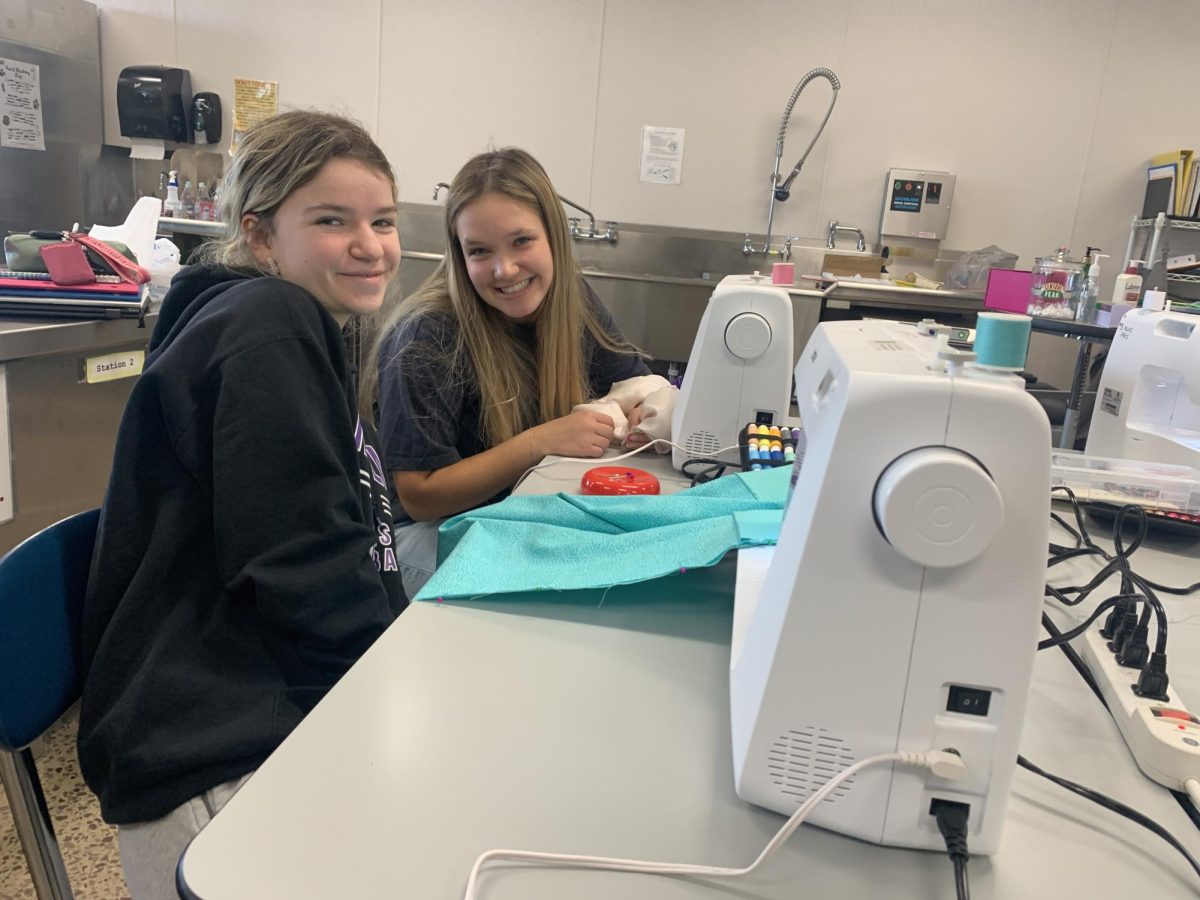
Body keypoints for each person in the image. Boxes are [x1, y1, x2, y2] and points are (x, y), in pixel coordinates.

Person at [77, 110, 407, 899]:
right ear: (261, 237)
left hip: (247, 711)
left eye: (384, 220)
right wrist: (393, 685)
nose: (370, 245)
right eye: (332, 221)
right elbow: (301, 561)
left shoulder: (277, 317)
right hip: (213, 768)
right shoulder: (270, 326)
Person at [365, 148, 650, 597]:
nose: (505, 270)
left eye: (521, 241)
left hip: (510, 517)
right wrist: (541, 441)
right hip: (422, 537)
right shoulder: (425, 335)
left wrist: (642, 411)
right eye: (480, 251)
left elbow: (632, 386)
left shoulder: (572, 298)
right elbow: (419, 497)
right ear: (459, 255)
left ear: (553, 236)